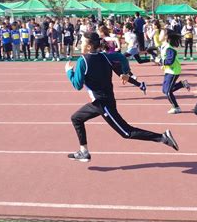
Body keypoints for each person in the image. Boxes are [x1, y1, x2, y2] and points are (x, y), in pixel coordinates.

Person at [65, 32, 179, 162]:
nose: (80, 43)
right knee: (76, 118)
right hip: (100, 102)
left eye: (83, 41)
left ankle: (162, 137)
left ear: (90, 46)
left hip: (103, 104)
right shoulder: (105, 56)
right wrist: (125, 72)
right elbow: (122, 57)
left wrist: (69, 72)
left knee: (126, 133)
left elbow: (77, 85)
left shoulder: (83, 61)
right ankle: (84, 152)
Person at [160, 31, 191, 114]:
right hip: (168, 70)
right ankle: (182, 84)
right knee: (164, 90)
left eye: (161, 33)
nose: (159, 35)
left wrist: (161, 61)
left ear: (166, 37)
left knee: (168, 91)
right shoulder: (163, 46)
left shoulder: (169, 48)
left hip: (174, 71)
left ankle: (176, 107)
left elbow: (170, 60)